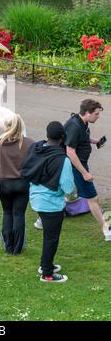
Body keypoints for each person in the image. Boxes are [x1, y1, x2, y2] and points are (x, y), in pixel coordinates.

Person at [21, 121, 75, 283]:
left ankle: (45, 264)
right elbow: (68, 187)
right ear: (62, 138)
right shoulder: (62, 159)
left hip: (35, 199)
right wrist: (73, 195)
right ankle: (47, 274)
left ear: (47, 135)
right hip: (51, 204)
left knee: (48, 236)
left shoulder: (36, 148)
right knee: (51, 238)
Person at [64, 99, 111, 241]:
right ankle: (106, 229)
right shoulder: (74, 126)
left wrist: (95, 141)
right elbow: (70, 151)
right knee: (92, 198)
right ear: (86, 113)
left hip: (81, 164)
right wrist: (84, 173)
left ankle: (43, 219)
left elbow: (81, 137)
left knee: (69, 192)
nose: (98, 116)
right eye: (96, 114)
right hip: (77, 165)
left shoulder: (81, 122)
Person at [0, 114, 34, 255]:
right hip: (22, 183)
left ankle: (8, 246)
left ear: (6, 126)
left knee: (7, 212)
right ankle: (18, 248)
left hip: (2, 183)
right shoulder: (29, 144)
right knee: (19, 214)